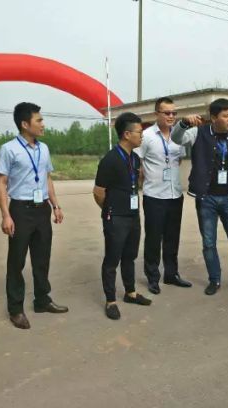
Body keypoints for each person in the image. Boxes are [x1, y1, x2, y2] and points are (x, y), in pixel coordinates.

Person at [0, 102, 68, 330]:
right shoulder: (9, 149)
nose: (43, 124)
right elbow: (1, 183)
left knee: (42, 257)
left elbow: (47, 178)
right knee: (16, 261)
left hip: (41, 210)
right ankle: (16, 309)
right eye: (39, 120)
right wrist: (6, 215)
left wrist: (56, 205)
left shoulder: (43, 149)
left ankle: (42, 300)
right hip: (20, 210)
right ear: (25, 124)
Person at [171, 98, 228, 295]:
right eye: (226, 116)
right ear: (214, 118)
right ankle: (214, 279)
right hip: (206, 198)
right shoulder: (198, 132)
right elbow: (176, 139)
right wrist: (183, 123)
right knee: (209, 243)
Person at [93, 112, 152, 320]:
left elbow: (136, 183)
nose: (141, 135)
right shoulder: (110, 160)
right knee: (112, 259)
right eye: (139, 132)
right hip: (115, 217)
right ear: (126, 134)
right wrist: (110, 209)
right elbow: (99, 192)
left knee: (130, 256)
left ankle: (130, 292)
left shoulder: (134, 158)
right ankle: (111, 301)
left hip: (133, 215)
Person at [135, 97, 192, 295]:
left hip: (175, 195)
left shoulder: (180, 135)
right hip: (154, 196)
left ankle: (171, 274)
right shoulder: (147, 136)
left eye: (174, 113)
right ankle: (152, 277)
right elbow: (137, 162)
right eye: (166, 113)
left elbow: (179, 160)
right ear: (156, 114)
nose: (171, 116)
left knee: (172, 237)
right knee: (153, 238)